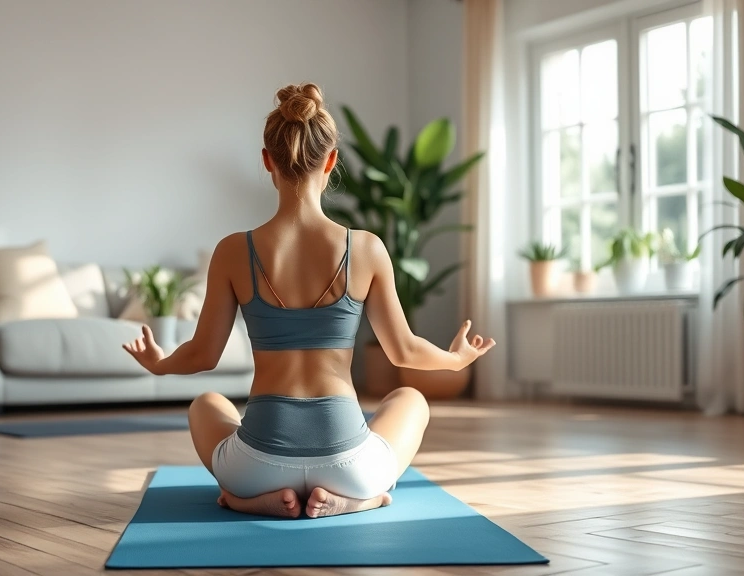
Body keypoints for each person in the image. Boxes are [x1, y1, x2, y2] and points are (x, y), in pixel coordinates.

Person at [123, 83, 495, 519]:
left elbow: (204, 355)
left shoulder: (231, 251)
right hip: (349, 467)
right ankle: (360, 498)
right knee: (411, 399)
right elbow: (403, 351)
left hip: (256, 468)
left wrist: (161, 363)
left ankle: (248, 499)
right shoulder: (367, 248)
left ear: (267, 162)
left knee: (205, 404)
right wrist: (455, 360)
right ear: (332, 160)